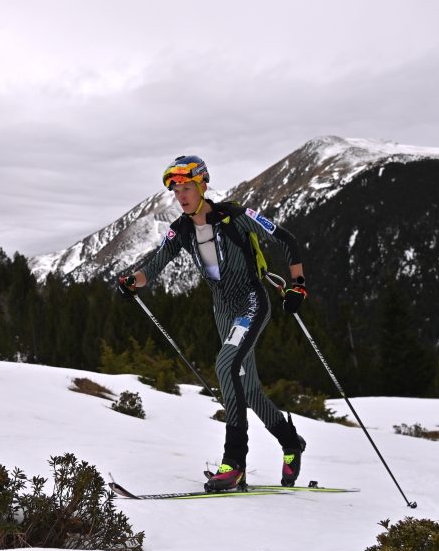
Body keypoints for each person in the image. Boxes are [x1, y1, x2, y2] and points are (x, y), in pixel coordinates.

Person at [117, 155, 309, 490]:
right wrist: (132, 281)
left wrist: (298, 285)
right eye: (176, 191)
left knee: (224, 365)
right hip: (223, 310)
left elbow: (286, 239)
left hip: (251, 302)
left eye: (187, 188)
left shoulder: (235, 216)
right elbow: (155, 265)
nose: (181, 196)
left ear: (203, 185)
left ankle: (234, 462)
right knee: (249, 390)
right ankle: (291, 442)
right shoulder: (181, 229)